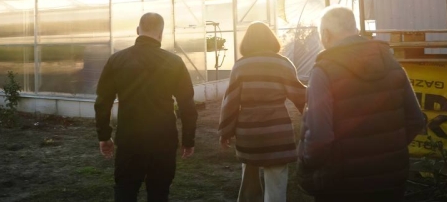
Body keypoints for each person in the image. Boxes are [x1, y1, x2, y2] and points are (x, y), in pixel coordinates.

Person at [297, 6, 427, 202]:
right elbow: (416, 120)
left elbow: (319, 137)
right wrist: (388, 150)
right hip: (390, 179)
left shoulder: (323, 72)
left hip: (341, 183)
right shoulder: (391, 63)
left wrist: (307, 161)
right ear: (355, 29)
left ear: (325, 34)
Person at [94, 12, 198, 202]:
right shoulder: (174, 62)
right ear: (161, 34)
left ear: (137, 31)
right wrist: (188, 139)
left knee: (126, 189)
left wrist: (104, 135)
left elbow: (102, 101)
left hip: (129, 138)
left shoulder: (117, 60)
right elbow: (187, 104)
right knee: (159, 192)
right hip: (163, 139)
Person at [218, 22, 307, 202]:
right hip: (277, 132)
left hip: (249, 132)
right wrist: (312, 120)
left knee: (249, 178)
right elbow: (300, 96)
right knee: (276, 181)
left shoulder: (241, 65)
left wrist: (225, 131)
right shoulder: (283, 63)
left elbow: (231, 101)